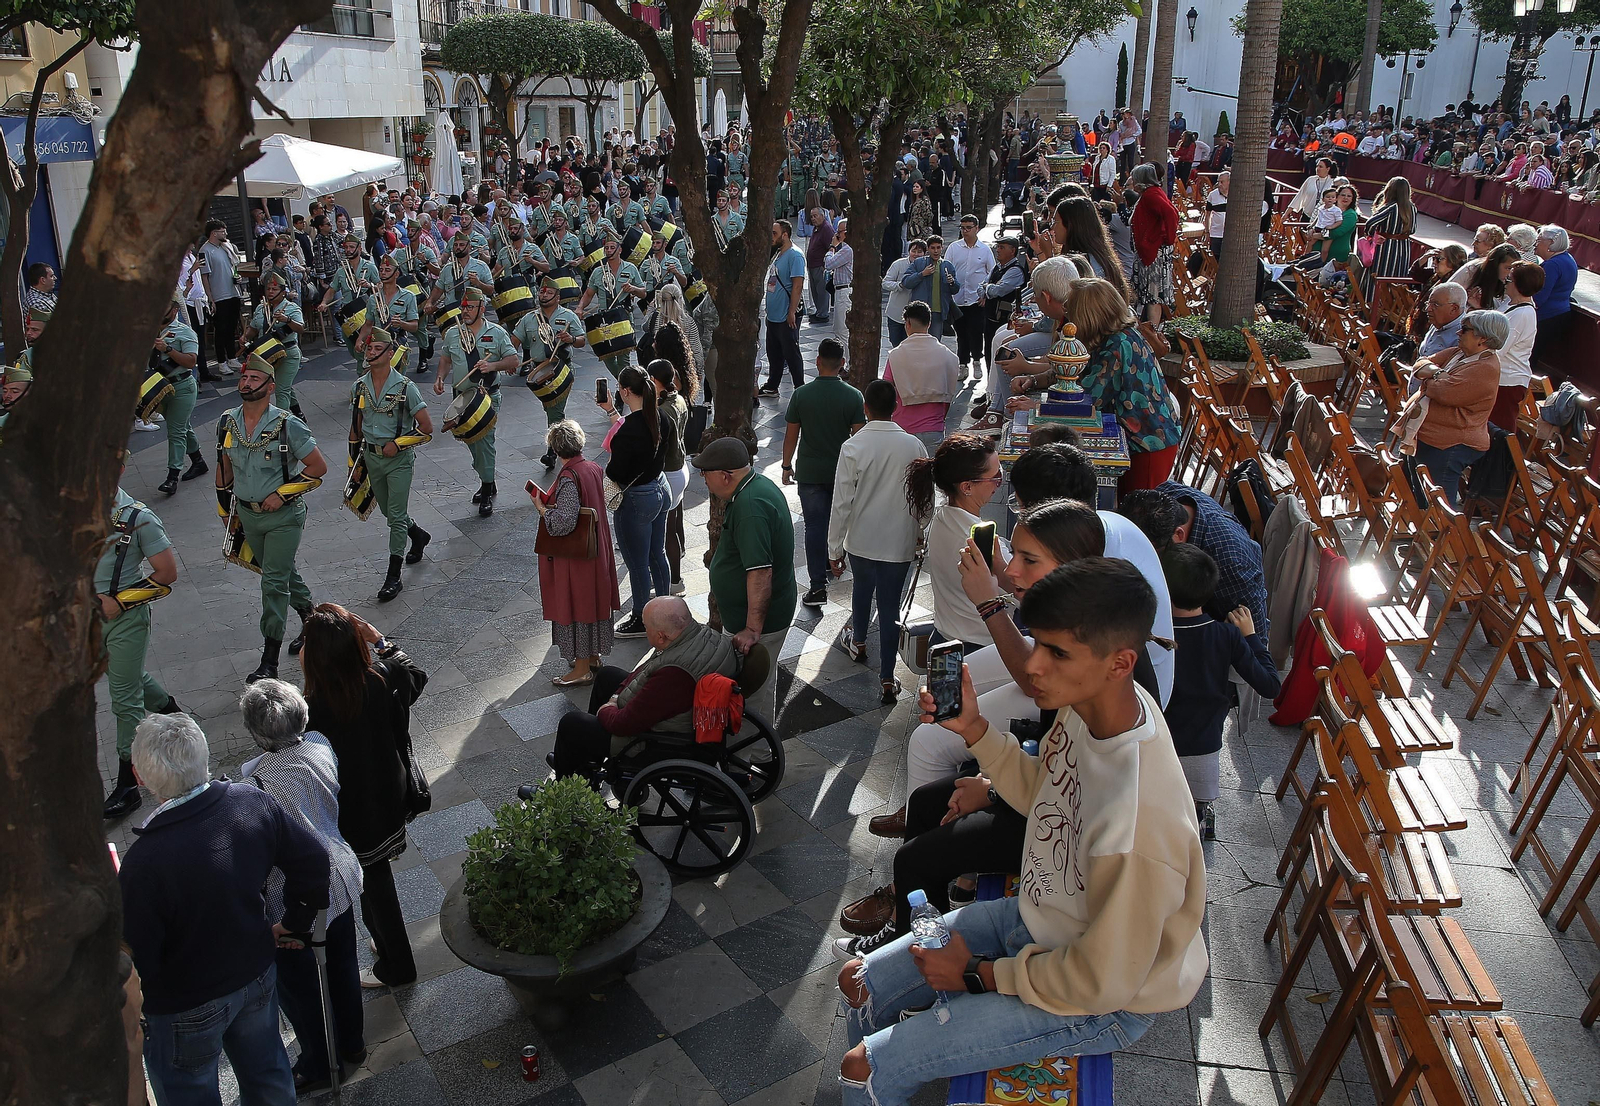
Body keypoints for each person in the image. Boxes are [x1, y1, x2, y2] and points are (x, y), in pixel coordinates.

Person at [835, 558, 1207, 1106]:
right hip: (1046, 917)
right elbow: (1047, 798)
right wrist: (978, 731)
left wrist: (976, 976)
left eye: (1057, 653)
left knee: (863, 1065)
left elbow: (1099, 980)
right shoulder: (1093, 708)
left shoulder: (1138, 826)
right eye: (1037, 642)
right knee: (857, 980)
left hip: (1099, 997)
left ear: (1119, 662)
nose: (1032, 665)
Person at [837, 498, 1109, 943]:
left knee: (915, 859)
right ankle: (921, 933)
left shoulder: (1085, 648)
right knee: (926, 801)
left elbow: (1076, 786)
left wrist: (994, 788)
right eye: (1013, 555)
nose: (1011, 571)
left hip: (1065, 828)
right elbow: (1053, 747)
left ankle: (914, 956)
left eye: (1027, 560)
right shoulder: (1069, 617)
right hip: (1048, 785)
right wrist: (977, 740)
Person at [120, 713, 329, 1106]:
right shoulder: (250, 801)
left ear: (140, 776)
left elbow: (137, 954)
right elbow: (315, 859)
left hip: (183, 1008)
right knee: (268, 1076)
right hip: (255, 976)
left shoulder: (142, 863)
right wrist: (296, 922)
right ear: (205, 757)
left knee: (190, 1094)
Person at [238, 680, 366, 1095]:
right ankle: (353, 1043)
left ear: (257, 733)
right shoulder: (318, 744)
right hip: (341, 874)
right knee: (344, 964)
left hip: (289, 897)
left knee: (299, 987)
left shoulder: (256, 784)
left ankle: (316, 1060)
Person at [300, 604, 427, 988]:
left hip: (351, 810)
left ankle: (398, 966)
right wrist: (379, 639)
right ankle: (383, 940)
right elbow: (416, 676)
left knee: (375, 879)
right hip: (391, 793)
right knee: (373, 874)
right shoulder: (381, 678)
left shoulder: (310, 709)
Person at [216, 353, 329, 683]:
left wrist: (283, 493)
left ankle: (270, 661)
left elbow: (318, 469)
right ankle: (311, 617)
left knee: (273, 583)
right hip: (249, 517)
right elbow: (224, 471)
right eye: (244, 377)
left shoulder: (286, 424)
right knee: (279, 572)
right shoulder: (227, 422)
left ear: (270, 386)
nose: (247, 382)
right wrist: (226, 511)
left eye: (255, 378)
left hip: (284, 517)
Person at [550, 596, 742, 782]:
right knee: (607, 675)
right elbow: (647, 669)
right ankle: (590, 756)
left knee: (572, 723)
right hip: (681, 710)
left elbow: (623, 725)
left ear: (661, 636)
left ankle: (570, 795)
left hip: (660, 741)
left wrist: (607, 709)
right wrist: (617, 696)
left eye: (646, 627)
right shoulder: (700, 634)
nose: (645, 630)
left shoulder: (675, 674)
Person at [1161, 543, 1280, 839]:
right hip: (1203, 746)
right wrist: (1250, 637)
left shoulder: (1151, 634)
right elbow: (1270, 685)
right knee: (1193, 821)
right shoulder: (1226, 635)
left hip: (1157, 741)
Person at [828, 379, 927, 702]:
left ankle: (857, 640)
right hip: (898, 541)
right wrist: (922, 532)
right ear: (896, 407)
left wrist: (834, 547)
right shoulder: (913, 445)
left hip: (861, 539)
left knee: (862, 588)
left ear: (865, 408)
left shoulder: (853, 446)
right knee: (890, 608)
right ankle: (887, 676)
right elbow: (925, 499)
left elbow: (841, 501)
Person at [98, 462, 182, 820]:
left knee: (124, 699)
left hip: (124, 621)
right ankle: (169, 708)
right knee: (126, 677)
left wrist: (119, 602)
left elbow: (167, 573)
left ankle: (128, 785)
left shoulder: (137, 518)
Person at [694, 436, 796, 725]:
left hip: (759, 624)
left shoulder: (751, 507)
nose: (703, 480)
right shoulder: (753, 487)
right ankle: (762, 754)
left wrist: (752, 628)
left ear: (725, 476)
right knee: (762, 686)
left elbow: (760, 572)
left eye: (706, 474)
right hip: (760, 617)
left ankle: (750, 758)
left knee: (747, 696)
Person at [1063, 278, 1181, 493]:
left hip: (1147, 447)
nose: (1067, 316)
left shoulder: (1116, 346)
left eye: (1069, 309)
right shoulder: (1124, 335)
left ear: (1087, 315)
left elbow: (1086, 400)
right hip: (1152, 442)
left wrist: (1037, 408)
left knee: (1137, 517)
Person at [1121, 482, 1270, 645]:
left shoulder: (1232, 563)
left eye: (1147, 553)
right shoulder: (1164, 496)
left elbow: (1256, 644)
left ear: (1178, 535)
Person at [534, 420, 622, 686]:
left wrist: (542, 509)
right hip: (597, 548)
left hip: (578, 557)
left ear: (556, 449)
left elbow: (564, 522)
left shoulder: (569, 477)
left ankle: (581, 668)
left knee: (577, 606)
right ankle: (592, 657)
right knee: (594, 602)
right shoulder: (593, 468)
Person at [349, 327, 434, 601]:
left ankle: (393, 576)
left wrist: (398, 443)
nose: (370, 353)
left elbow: (426, 428)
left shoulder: (405, 388)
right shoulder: (359, 386)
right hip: (372, 459)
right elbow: (356, 428)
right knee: (388, 511)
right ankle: (418, 535)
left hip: (398, 460)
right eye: (369, 349)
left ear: (391, 353)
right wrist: (353, 463)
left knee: (395, 517)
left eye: (377, 349)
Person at [783, 338, 866, 608]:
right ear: (842, 364)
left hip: (809, 472)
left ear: (817, 361)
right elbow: (858, 439)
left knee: (814, 527)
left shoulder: (801, 395)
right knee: (841, 522)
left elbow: (791, 436)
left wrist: (786, 466)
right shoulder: (853, 396)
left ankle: (817, 585)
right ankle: (835, 561)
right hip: (842, 472)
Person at [907, 433, 1004, 655]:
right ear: (967, 487)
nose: (999, 483)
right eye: (995, 477)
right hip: (975, 649)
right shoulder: (978, 540)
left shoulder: (942, 518)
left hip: (943, 636)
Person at [1398, 309, 1507, 506]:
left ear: (1482, 338)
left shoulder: (1485, 368)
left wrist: (1429, 381)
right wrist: (1438, 374)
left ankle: (1442, 536)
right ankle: (1423, 529)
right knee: (1418, 494)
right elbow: (1420, 364)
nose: (1458, 333)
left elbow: (1444, 393)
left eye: (1464, 329)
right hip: (1429, 436)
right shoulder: (1459, 353)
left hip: (1450, 443)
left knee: (1438, 503)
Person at [601, 364, 674, 637]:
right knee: (658, 554)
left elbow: (615, 472)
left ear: (625, 391)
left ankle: (642, 617)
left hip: (637, 499)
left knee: (637, 562)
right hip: (660, 488)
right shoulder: (661, 417)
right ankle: (666, 608)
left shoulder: (629, 430)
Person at [435, 287, 518, 516]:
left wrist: (491, 366)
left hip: (487, 396)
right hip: (462, 399)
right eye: (463, 307)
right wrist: (440, 377)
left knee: (485, 443)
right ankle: (487, 477)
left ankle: (487, 487)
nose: (465, 311)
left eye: (470, 307)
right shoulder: (453, 333)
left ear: (482, 308)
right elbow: (445, 358)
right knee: (472, 443)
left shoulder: (497, 333)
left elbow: (513, 360)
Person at [884, 301, 961, 453]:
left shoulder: (896, 356)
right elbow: (949, 396)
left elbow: (887, 391)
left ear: (907, 323)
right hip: (935, 428)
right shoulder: (948, 356)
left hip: (903, 429)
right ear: (929, 323)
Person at [151, 293, 208, 497]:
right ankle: (199, 461)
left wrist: (167, 349)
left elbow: (191, 361)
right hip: (161, 388)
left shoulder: (185, 332)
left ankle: (172, 476)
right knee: (182, 426)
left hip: (182, 387)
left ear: (174, 310)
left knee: (175, 432)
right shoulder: (152, 330)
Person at [647, 357, 693, 594]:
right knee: (675, 523)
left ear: (655, 381)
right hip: (680, 468)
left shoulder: (663, 409)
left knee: (667, 530)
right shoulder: (679, 399)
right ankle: (674, 573)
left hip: (670, 471)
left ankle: (674, 580)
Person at [316, 234, 382, 363]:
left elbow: (381, 285)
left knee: (366, 347)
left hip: (365, 313)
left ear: (359, 248)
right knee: (353, 349)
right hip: (348, 315)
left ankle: (365, 373)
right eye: (346, 247)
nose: (348, 250)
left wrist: (370, 285)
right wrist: (324, 302)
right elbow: (331, 290)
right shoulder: (341, 271)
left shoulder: (369, 267)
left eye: (352, 247)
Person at [1493, 261, 1543, 428]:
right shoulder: (1510, 303)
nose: (1505, 283)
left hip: (1508, 381)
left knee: (1500, 430)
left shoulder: (1523, 313)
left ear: (1518, 284)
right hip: (1499, 378)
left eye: (1509, 281)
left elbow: (1499, 348)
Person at [946, 214, 996, 382]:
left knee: (976, 331)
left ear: (977, 228)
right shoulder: (954, 248)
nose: (965, 231)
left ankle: (976, 360)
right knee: (960, 333)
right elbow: (947, 269)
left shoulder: (984, 249)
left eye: (968, 228)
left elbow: (992, 273)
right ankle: (962, 364)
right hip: (957, 299)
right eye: (963, 228)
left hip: (976, 299)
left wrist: (986, 294)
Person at [761, 219, 807, 396]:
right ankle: (773, 385)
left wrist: (791, 312)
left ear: (785, 235)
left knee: (791, 352)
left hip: (785, 314)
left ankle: (799, 388)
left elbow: (797, 285)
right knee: (774, 353)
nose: (771, 237)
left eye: (774, 233)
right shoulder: (779, 253)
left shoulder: (795, 255)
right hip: (773, 314)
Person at [1127, 163, 1178, 323]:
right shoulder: (1152, 193)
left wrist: (1166, 238)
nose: (1132, 182)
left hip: (1153, 254)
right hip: (1149, 253)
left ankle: (1153, 334)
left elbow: (1171, 213)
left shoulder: (1151, 195)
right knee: (1148, 295)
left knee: (1153, 296)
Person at [1354, 176, 1416, 303]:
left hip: (1386, 248)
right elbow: (1413, 229)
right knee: (1396, 278)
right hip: (1403, 248)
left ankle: (1372, 307)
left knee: (1378, 277)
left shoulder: (1391, 207)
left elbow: (1370, 223)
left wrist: (1373, 236)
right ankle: (1391, 308)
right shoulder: (1412, 208)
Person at [1532, 224, 1577, 370]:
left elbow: (1539, 298)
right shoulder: (1568, 259)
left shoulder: (1552, 265)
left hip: (1546, 318)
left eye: (1539, 240)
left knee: (1530, 358)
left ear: (1551, 243)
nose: (1536, 243)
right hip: (1559, 315)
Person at [903, 235, 960, 338]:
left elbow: (955, 289)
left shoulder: (948, 265)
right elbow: (906, 282)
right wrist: (921, 274)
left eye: (938, 247)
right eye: (933, 248)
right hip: (920, 312)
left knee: (934, 342)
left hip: (938, 312)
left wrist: (952, 282)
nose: (936, 251)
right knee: (917, 341)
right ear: (928, 249)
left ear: (942, 248)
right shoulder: (919, 263)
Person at [883, 239, 926, 348]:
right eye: (913, 251)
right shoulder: (898, 264)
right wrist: (899, 285)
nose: (916, 254)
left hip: (916, 315)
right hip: (896, 312)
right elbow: (885, 283)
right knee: (895, 342)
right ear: (909, 251)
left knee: (912, 345)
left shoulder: (927, 267)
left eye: (920, 252)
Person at [823, 217, 855, 344]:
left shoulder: (848, 250)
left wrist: (832, 247)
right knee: (838, 329)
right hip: (841, 291)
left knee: (842, 330)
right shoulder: (847, 249)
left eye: (839, 232)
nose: (837, 235)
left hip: (844, 292)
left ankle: (848, 361)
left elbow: (829, 264)